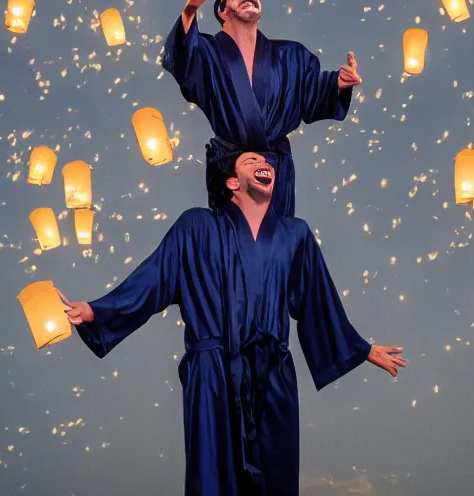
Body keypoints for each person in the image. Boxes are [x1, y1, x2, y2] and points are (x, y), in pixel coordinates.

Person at [60, 150, 406, 496]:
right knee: (212, 478)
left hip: (272, 374)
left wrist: (360, 349)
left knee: (276, 480)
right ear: (231, 182)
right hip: (213, 372)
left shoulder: (295, 234)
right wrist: (96, 311)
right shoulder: (196, 226)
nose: (263, 164)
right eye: (250, 161)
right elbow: (154, 278)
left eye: (266, 162)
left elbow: (318, 299)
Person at [161, 0, 362, 217]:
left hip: (275, 165)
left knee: (278, 242)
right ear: (223, 12)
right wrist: (191, 8)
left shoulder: (291, 54)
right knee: (234, 240)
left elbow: (312, 96)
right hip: (230, 164)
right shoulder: (207, 52)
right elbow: (182, 59)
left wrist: (338, 84)